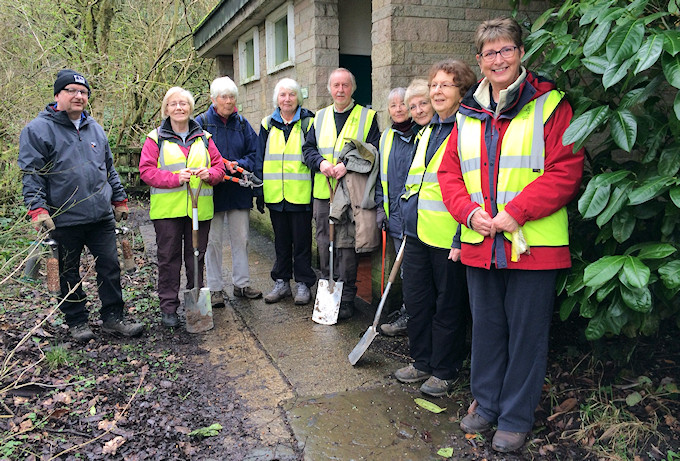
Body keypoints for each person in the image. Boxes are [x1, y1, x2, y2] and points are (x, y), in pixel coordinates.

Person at [438, 17, 585, 452]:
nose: (498, 59)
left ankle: (516, 418)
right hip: (481, 243)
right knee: (485, 328)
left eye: (506, 50)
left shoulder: (550, 104)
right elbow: (450, 175)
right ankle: (485, 405)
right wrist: (468, 215)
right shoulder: (467, 111)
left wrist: (515, 213)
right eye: (489, 53)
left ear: (520, 53)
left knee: (526, 336)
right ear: (479, 61)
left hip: (534, 247)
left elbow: (566, 170)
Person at [18, 69, 143, 342]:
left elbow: (108, 169)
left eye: (83, 92)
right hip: (64, 217)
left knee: (110, 267)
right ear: (57, 95)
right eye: (72, 91)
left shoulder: (94, 128)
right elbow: (32, 174)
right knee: (68, 272)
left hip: (100, 216)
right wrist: (38, 210)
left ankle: (113, 318)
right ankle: (76, 321)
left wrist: (119, 198)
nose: (79, 96)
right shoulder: (38, 130)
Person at [394, 60, 475, 398]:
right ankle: (423, 361)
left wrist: (460, 236)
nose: (438, 91)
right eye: (435, 85)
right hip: (416, 235)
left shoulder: (468, 130)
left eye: (447, 85)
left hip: (448, 238)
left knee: (448, 306)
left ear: (462, 91)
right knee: (417, 301)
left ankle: (445, 369)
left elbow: (472, 187)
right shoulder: (426, 130)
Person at [139, 87, 226, 327]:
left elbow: (219, 168)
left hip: (200, 211)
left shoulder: (204, 138)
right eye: (174, 104)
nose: (179, 108)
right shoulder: (155, 138)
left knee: (195, 258)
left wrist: (210, 174)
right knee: (168, 259)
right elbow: (146, 172)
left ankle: (195, 305)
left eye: (184, 103)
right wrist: (175, 178)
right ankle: (168, 308)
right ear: (166, 109)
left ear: (190, 108)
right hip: (168, 212)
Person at [302, 68, 380, 320]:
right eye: (335, 85)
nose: (340, 90)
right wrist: (321, 164)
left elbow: (373, 151)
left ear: (353, 88)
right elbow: (308, 149)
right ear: (329, 88)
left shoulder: (367, 117)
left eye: (345, 85)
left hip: (350, 194)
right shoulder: (320, 117)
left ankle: (346, 296)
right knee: (325, 241)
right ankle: (327, 286)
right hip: (323, 192)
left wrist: (347, 166)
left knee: (346, 243)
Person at [195, 76, 262, 307]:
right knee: (213, 241)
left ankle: (241, 284)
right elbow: (193, 154)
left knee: (241, 239)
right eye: (224, 97)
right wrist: (218, 167)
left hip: (238, 191)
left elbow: (255, 153)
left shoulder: (242, 124)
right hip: (211, 192)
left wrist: (238, 163)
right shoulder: (200, 123)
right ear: (213, 99)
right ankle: (215, 289)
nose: (229, 101)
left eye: (232, 96)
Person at [379, 80, 435, 336]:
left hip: (421, 217)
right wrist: (382, 210)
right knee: (404, 272)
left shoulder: (422, 134)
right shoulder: (387, 137)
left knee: (419, 274)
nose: (399, 108)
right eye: (394, 105)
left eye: (405, 104)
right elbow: (382, 178)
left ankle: (415, 316)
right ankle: (407, 312)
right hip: (396, 217)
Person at [255, 78, 316, 305]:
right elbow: (259, 158)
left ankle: (303, 283)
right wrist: (259, 190)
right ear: (277, 100)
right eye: (282, 95)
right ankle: (282, 282)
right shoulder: (267, 124)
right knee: (281, 242)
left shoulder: (309, 122)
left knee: (301, 242)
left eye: (291, 94)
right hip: (275, 194)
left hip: (300, 193)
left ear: (298, 98)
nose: (287, 99)